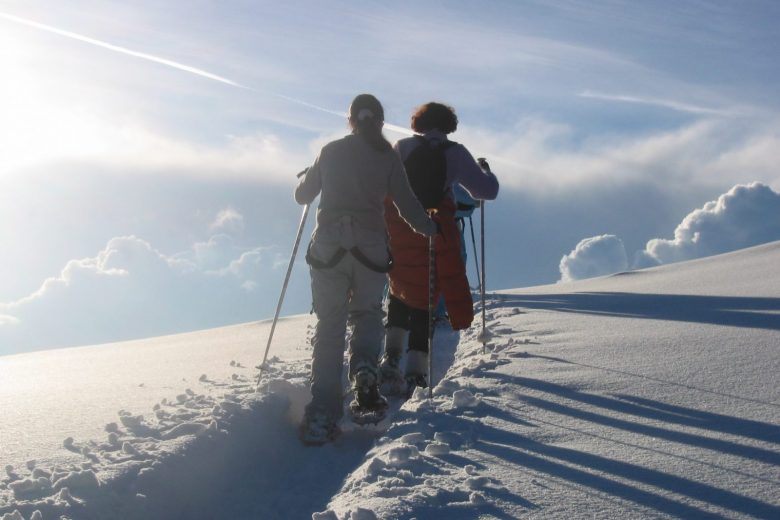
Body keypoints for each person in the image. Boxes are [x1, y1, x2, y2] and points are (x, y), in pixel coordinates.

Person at [294, 94, 437, 444]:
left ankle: (323, 411)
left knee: (330, 324)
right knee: (368, 314)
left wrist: (307, 177)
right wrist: (430, 228)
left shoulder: (329, 151)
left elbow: (303, 196)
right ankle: (364, 373)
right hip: (371, 247)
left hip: (328, 246)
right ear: (380, 121)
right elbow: (406, 204)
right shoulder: (387, 156)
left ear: (351, 120)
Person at [381, 102, 499, 394]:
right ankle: (416, 371)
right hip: (435, 229)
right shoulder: (456, 153)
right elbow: (487, 192)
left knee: (398, 285)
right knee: (426, 294)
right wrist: (487, 171)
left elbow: (385, 183)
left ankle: (391, 354)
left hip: (401, 226)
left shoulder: (402, 146)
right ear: (449, 125)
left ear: (418, 123)